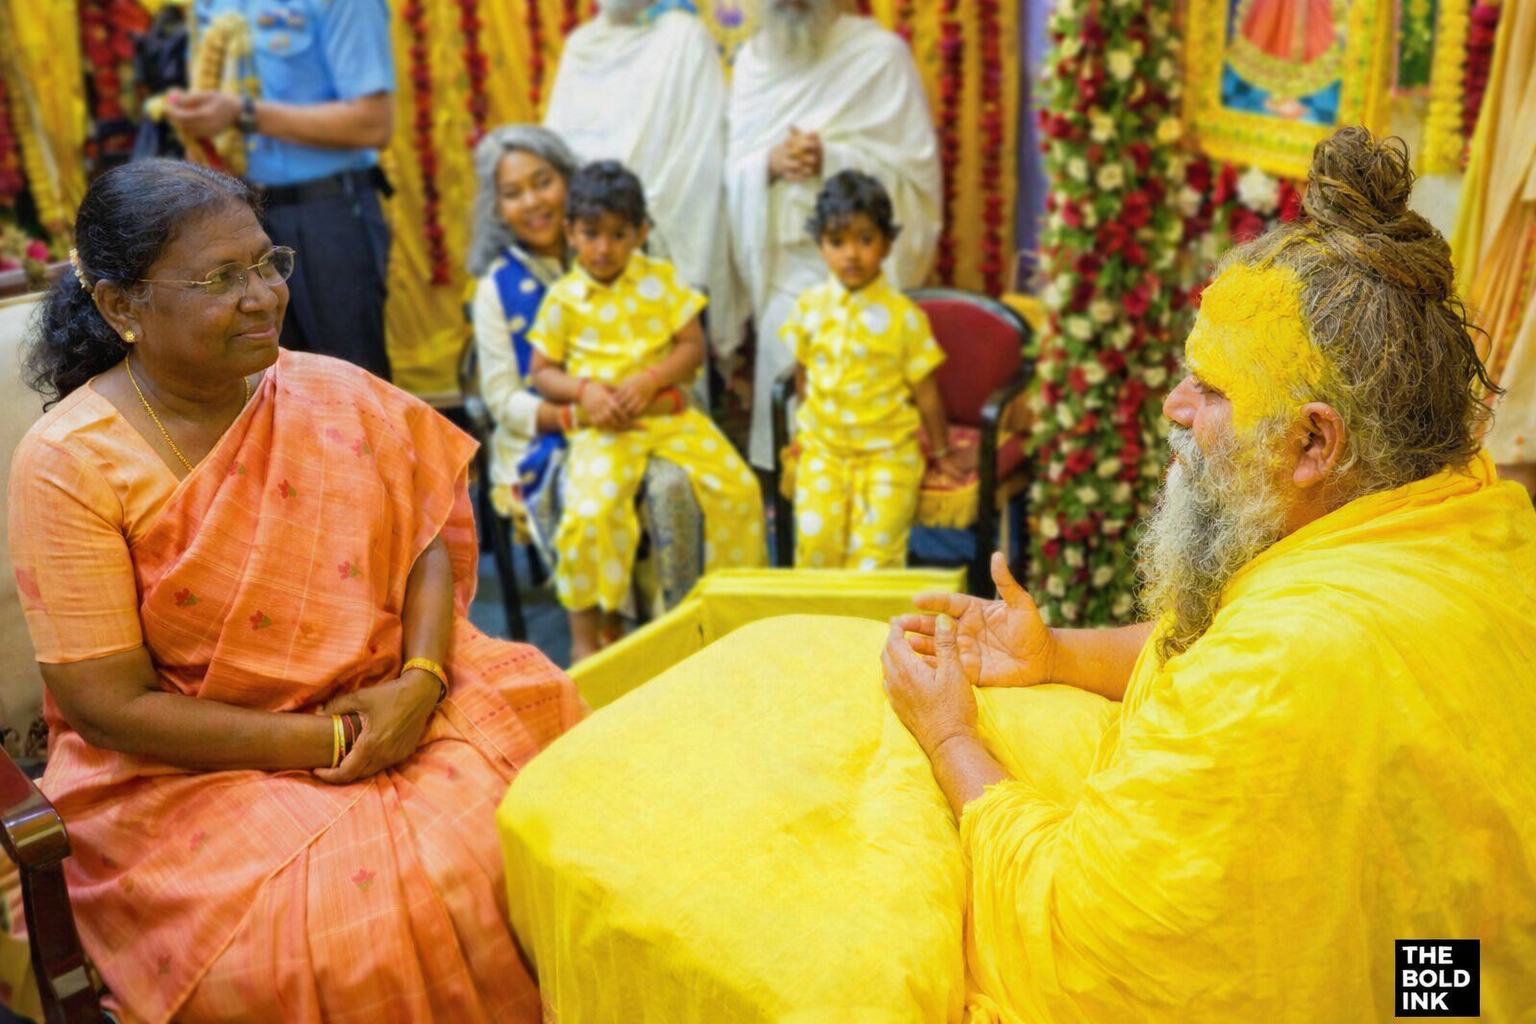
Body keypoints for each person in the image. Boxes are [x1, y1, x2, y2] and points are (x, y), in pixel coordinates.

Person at [496, 129, 1536, 1019]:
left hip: (1393, 978)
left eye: (1207, 390)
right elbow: (1210, 651)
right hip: (1450, 964)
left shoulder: (1287, 667)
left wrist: (948, 734)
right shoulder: (1459, 509)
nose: (1173, 408)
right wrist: (1055, 652)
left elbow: (1088, 932)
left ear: (1316, 443)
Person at [6, 159, 585, 1024]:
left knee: (563, 809)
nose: (261, 297)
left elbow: (423, 528)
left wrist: (420, 684)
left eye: (266, 264)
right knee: (375, 928)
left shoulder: (320, 387)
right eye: (219, 279)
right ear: (123, 307)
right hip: (194, 769)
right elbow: (109, 707)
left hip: (401, 692)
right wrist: (335, 736)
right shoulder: (71, 463)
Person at [528, 161, 765, 660]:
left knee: (740, 489)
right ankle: (586, 638)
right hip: (604, 429)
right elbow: (542, 372)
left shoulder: (660, 280)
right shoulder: (563, 298)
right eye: (591, 233)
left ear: (640, 233)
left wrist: (651, 377)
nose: (603, 247)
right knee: (590, 512)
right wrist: (584, 390)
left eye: (619, 234)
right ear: (570, 232)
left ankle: (738, 617)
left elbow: (692, 348)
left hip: (670, 415)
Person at [727, 0, 941, 468]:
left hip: (869, 290)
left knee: (867, 459)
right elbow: (731, 170)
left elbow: (917, 180)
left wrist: (835, 159)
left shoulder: (878, 56)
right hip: (786, 284)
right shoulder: (752, 63)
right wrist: (769, 163)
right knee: (792, 457)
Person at [164, 0, 395, 380]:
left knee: (347, 379)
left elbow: (373, 123)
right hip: (236, 218)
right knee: (264, 384)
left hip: (326, 213)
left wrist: (243, 114)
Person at [544, 0, 744, 367]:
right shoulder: (581, 46)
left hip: (659, 251)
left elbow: (699, 157)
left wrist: (632, 226)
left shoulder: (684, 37)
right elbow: (556, 152)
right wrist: (592, 228)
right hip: (586, 255)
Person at [783, 170, 960, 569]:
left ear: (886, 244)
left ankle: (871, 633)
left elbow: (927, 392)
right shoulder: (809, 308)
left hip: (888, 454)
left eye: (865, 239)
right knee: (816, 546)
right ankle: (820, 631)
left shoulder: (904, 318)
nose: (851, 254)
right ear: (821, 246)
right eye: (837, 241)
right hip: (824, 450)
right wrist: (800, 429)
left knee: (875, 559)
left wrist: (943, 450)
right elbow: (803, 371)